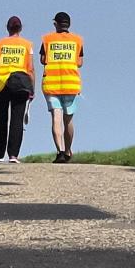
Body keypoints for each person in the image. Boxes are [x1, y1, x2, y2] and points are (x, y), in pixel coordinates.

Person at [0, 16, 35, 163]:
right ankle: (13, 155)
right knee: (17, 119)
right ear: (20, 28)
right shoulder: (27, 45)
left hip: (1, 84)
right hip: (21, 83)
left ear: (7, 28)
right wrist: (32, 88)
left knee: (1, 118)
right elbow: (30, 69)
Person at [40, 12, 84, 163]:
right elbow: (79, 62)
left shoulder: (47, 39)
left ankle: (59, 151)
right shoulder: (77, 40)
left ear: (55, 24)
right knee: (68, 120)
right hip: (71, 84)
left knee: (56, 118)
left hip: (51, 84)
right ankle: (68, 150)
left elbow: (43, 59)